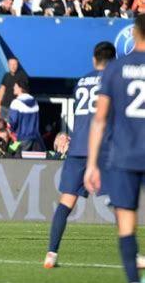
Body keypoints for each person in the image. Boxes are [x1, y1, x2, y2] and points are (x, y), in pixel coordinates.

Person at [84, 15, 145, 283]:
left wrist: (92, 162)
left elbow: (100, 120)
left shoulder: (115, 68)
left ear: (133, 34)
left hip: (123, 156)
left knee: (126, 225)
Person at [44, 42, 116, 269]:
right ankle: (132, 254)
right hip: (103, 147)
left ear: (94, 59)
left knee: (66, 203)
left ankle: (51, 254)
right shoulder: (114, 80)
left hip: (77, 148)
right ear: (113, 60)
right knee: (120, 203)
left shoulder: (81, 82)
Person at [8, 80, 42, 151]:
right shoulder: (35, 102)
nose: (13, 87)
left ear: (20, 88)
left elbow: (13, 122)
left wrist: (10, 130)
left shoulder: (16, 103)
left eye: (15, 86)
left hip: (20, 138)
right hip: (34, 139)